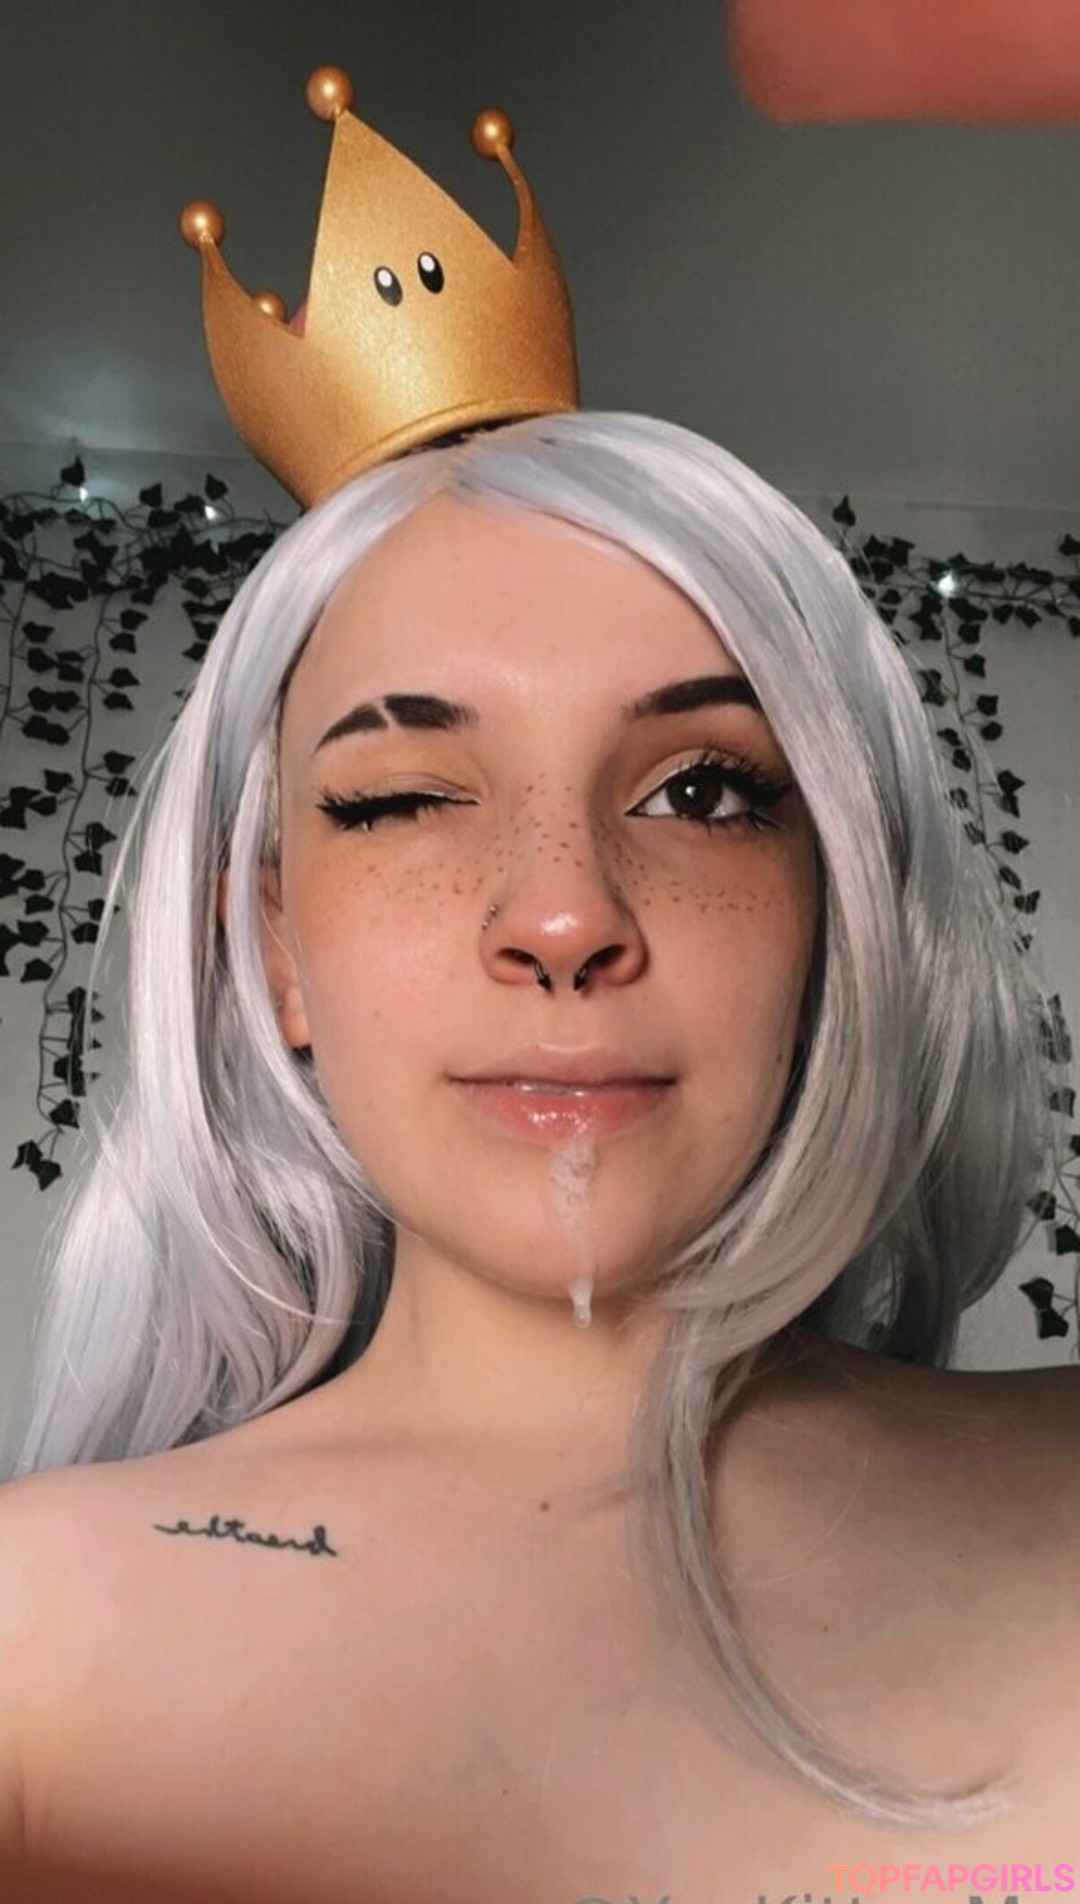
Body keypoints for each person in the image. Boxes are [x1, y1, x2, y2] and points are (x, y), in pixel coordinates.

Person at [0, 67, 1077, 1904]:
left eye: (705, 792)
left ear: (834, 913)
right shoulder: (29, 1645)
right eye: (406, 798)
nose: (565, 917)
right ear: (274, 945)